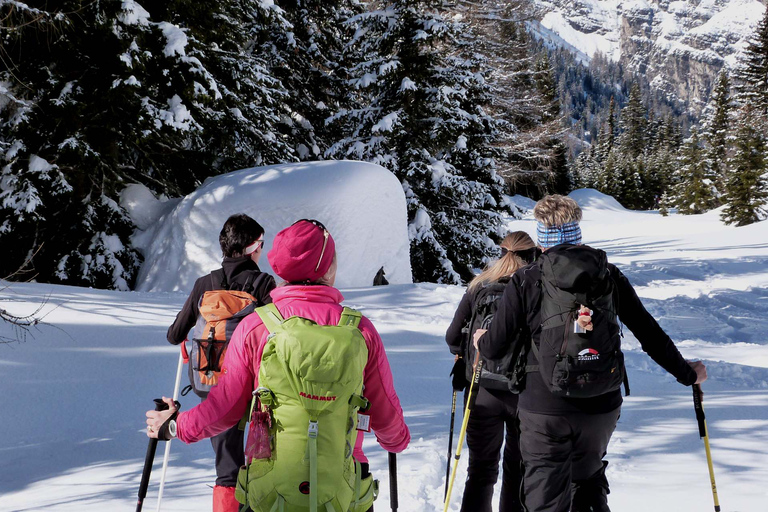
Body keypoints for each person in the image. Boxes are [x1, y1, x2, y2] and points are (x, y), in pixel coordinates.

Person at [149, 219, 410, 511]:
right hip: (343, 488)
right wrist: (397, 440)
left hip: (271, 491)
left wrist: (175, 426)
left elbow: (223, 409)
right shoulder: (360, 329)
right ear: (327, 267)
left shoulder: (257, 327)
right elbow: (386, 416)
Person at [474, 195, 708, 512]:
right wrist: (687, 373)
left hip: (545, 408)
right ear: (577, 231)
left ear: (541, 236)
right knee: (588, 484)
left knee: (545, 499)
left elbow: (494, 348)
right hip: (601, 403)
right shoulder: (608, 275)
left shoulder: (526, 279)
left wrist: (479, 339)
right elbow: (648, 332)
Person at [166, 213, 276, 512]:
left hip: (211, 384)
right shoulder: (264, 283)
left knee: (227, 470)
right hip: (254, 388)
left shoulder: (205, 284)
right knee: (260, 462)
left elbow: (175, 334)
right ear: (254, 246)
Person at [445, 231, 538, 512]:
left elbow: (452, 338)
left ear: (501, 252)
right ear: (532, 255)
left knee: (481, 469)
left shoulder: (479, 286)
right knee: (518, 468)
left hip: (480, 389)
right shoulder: (535, 287)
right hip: (523, 391)